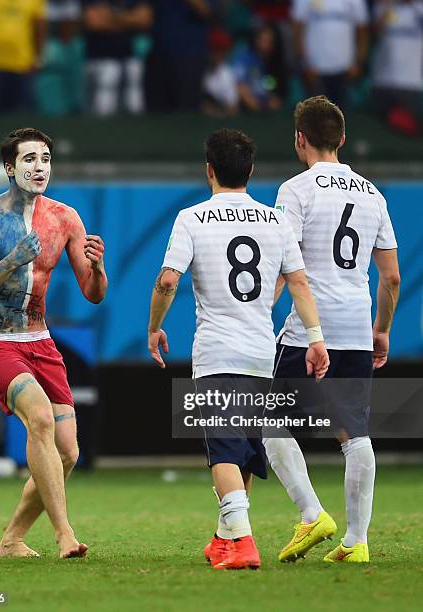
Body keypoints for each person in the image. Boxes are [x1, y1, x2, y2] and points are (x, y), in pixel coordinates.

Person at [147, 128, 329, 570]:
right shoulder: (276, 221)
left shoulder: (191, 218)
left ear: (209, 170)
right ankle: (223, 538)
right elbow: (300, 282)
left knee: (223, 452)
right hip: (262, 350)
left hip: (217, 352)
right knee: (244, 449)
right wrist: (316, 337)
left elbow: (169, 279)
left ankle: (244, 543)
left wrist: (154, 327)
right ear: (250, 170)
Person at [0, 127, 108, 558]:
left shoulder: (65, 218)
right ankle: (64, 534)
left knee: (68, 452)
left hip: (40, 340)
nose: (39, 167)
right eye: (29, 159)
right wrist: (11, 260)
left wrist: (97, 268)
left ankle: (11, 540)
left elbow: (93, 294)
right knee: (39, 419)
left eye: (45, 159)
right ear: (10, 167)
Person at [265, 96, 400, 563]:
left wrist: (263, 311)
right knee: (355, 433)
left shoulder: (295, 190)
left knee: (267, 422)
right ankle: (357, 542)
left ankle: (311, 515)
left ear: (299, 139)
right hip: (357, 326)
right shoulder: (373, 194)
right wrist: (381, 329)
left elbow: (287, 265)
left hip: (309, 329)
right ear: (341, 138)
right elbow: (392, 277)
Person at [292, 0, 369, 109]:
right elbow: (297, 31)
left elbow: (363, 32)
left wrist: (358, 63)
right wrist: (304, 64)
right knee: (315, 119)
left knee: (341, 120)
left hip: (345, 70)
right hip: (315, 71)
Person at [82, 0, 153, 116]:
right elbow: (95, 23)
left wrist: (112, 17)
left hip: (128, 57)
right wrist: (130, 19)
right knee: (104, 104)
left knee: (135, 101)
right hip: (100, 58)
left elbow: (145, 20)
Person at [371, 0, 423, 119]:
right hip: (382, 81)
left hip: (411, 83)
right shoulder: (383, 5)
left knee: (408, 130)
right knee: (379, 128)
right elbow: (375, 33)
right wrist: (390, 6)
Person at [231, 22, 287, 112]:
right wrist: (257, 107)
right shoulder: (245, 58)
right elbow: (239, 86)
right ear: (256, 40)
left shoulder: (273, 64)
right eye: (263, 40)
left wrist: (273, 102)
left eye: (270, 42)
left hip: (264, 110)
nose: (265, 45)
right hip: (244, 111)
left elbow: (272, 91)